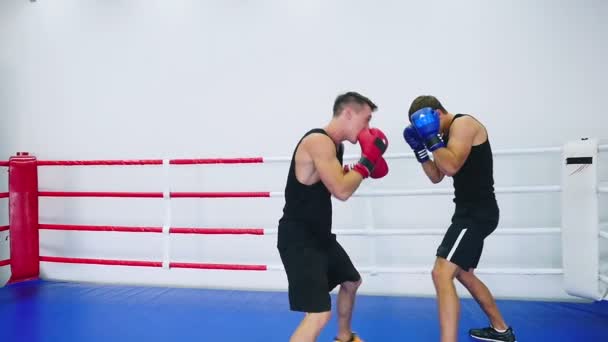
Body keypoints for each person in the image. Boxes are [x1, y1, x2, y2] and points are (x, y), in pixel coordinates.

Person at [402, 95, 516, 342]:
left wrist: (432, 139)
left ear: (436, 114)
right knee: (463, 273)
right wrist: (421, 150)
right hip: (467, 212)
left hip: (476, 213)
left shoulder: (463, 125)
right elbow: (437, 175)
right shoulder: (444, 137)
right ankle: (501, 330)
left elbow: (451, 166)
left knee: (440, 273)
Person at [277, 91, 389, 342]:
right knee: (318, 315)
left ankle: (344, 337)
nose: (367, 128)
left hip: (319, 238)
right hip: (300, 241)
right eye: (366, 119)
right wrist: (367, 161)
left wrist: (360, 167)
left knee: (351, 281)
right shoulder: (319, 141)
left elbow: (335, 181)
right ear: (348, 113)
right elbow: (341, 190)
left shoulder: (334, 147)